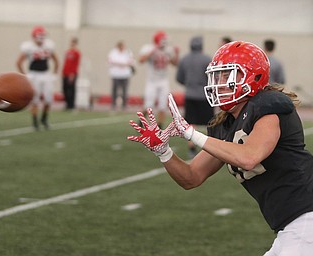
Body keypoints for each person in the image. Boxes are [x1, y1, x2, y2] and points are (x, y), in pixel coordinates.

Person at [128, 41, 313, 255]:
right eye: (217, 76)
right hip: (290, 225)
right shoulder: (224, 126)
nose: (219, 83)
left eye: (227, 76)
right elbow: (191, 177)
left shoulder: (269, 104)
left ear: (253, 77)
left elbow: (249, 157)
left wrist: (191, 134)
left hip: (306, 217)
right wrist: (164, 152)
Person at [176, 36, 213, 158]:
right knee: (210, 123)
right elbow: (212, 78)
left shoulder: (184, 59)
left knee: (190, 122)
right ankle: (211, 148)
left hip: (190, 94)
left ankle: (191, 148)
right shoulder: (207, 59)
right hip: (204, 95)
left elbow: (179, 78)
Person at [16, 26, 59, 130]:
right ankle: (35, 122)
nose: (41, 38)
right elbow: (18, 62)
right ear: (34, 37)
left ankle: (44, 119)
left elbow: (56, 61)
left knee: (48, 99)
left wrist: (54, 74)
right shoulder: (29, 47)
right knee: (34, 100)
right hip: (34, 75)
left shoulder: (48, 46)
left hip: (45, 74)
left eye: (43, 36)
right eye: (39, 36)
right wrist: (25, 76)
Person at [138, 31, 179, 128]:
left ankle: (160, 127)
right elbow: (141, 60)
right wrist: (153, 50)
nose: (165, 42)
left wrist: (176, 54)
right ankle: (141, 121)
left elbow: (174, 63)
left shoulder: (168, 50)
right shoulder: (149, 48)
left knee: (163, 105)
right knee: (148, 105)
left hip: (163, 81)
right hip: (152, 81)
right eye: (163, 40)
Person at [108, 40, 135, 111]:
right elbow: (111, 61)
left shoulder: (128, 52)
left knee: (125, 90)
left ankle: (124, 104)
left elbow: (131, 61)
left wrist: (121, 63)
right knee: (115, 90)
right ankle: (113, 104)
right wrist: (123, 63)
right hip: (116, 74)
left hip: (125, 74)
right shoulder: (113, 52)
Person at [62, 37, 81, 111]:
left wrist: (72, 74)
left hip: (72, 74)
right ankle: (67, 103)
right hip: (65, 73)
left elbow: (75, 64)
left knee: (71, 89)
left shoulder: (77, 53)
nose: (72, 44)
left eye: (74, 43)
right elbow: (66, 63)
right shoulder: (67, 52)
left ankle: (71, 105)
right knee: (65, 89)